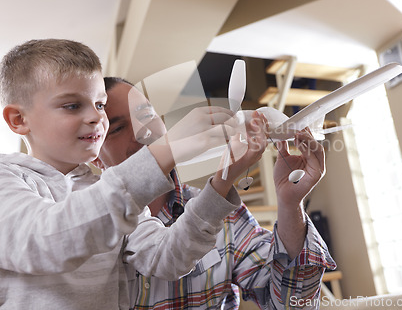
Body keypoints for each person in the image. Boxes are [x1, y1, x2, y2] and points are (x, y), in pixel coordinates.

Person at [0, 39, 267, 309]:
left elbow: (168, 259)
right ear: (19, 120)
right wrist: (166, 149)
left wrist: (223, 179)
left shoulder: (107, 192)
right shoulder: (7, 179)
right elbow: (48, 242)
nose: (96, 117)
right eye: (72, 105)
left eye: (100, 104)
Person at [95, 77, 337, 309]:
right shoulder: (91, 225)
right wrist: (221, 184)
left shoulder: (225, 216)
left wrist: (290, 204)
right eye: (117, 129)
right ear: (96, 157)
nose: (142, 132)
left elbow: (290, 303)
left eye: (146, 115)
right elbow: (168, 255)